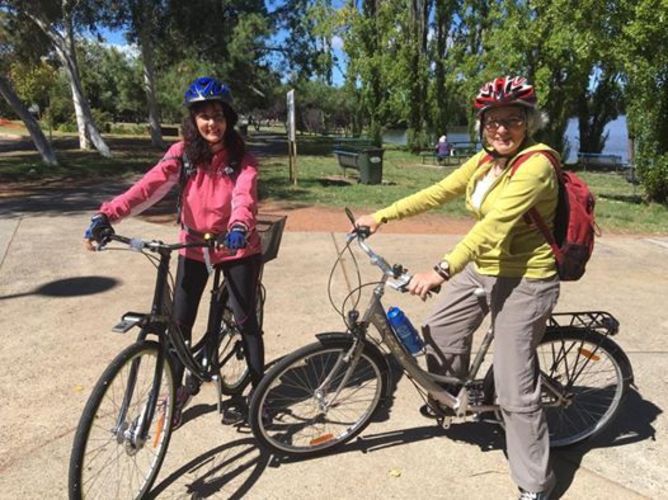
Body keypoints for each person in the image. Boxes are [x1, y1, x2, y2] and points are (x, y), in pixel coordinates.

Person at [355, 76, 560, 500]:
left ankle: (536, 485)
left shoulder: (536, 165)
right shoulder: (486, 161)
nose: (501, 129)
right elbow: (438, 192)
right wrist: (382, 215)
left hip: (526, 278)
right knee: (440, 329)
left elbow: (493, 226)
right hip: (484, 268)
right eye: (493, 121)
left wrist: (441, 270)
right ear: (482, 124)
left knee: (515, 390)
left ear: (529, 123)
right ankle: (454, 397)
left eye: (513, 120)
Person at [84, 76, 263, 427]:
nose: (212, 123)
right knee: (179, 326)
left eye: (219, 115)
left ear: (228, 119)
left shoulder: (243, 159)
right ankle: (176, 394)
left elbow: (244, 197)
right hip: (193, 246)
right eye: (204, 116)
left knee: (247, 324)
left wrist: (239, 227)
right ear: (193, 119)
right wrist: (108, 214)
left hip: (237, 247)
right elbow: (147, 187)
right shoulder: (182, 154)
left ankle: (259, 397)